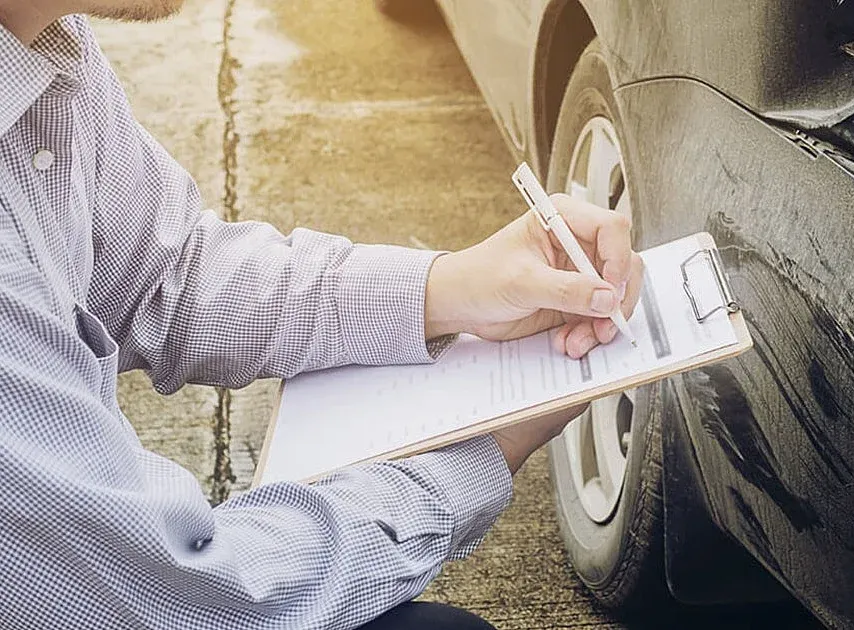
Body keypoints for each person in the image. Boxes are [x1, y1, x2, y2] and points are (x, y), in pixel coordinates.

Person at [0, 2, 643, 629]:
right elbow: (185, 593)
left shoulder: (46, 44)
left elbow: (169, 274)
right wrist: (482, 450)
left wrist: (449, 288)